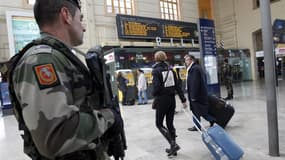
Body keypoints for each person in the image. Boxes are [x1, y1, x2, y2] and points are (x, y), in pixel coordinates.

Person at [8, 0, 123, 159]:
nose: (83, 26)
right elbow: (54, 137)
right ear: (66, 15)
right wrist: (109, 118)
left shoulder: (59, 57)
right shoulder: (42, 60)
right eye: (80, 19)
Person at [152, 51, 187, 157]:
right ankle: (173, 149)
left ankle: (173, 144)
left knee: (159, 123)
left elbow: (157, 87)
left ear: (156, 59)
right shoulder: (171, 70)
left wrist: (153, 93)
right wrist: (183, 99)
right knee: (170, 124)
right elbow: (178, 86)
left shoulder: (156, 71)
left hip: (162, 100)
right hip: (172, 100)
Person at [184, 54, 216, 132]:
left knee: (199, 111)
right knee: (196, 111)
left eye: (187, 60)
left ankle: (212, 120)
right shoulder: (193, 68)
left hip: (197, 95)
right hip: (196, 94)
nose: (185, 61)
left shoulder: (195, 69)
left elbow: (195, 83)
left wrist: (193, 96)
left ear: (191, 60)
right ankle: (198, 125)